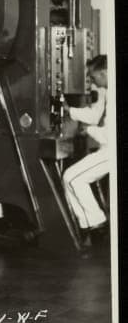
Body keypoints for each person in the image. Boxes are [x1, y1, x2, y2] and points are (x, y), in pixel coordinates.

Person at [62, 54, 109, 237]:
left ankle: (96, 224)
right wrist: (70, 111)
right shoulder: (107, 91)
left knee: (72, 178)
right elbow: (95, 115)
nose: (92, 82)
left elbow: (109, 136)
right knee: (71, 177)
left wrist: (88, 130)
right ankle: (92, 224)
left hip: (110, 151)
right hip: (107, 149)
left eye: (93, 76)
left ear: (104, 72)